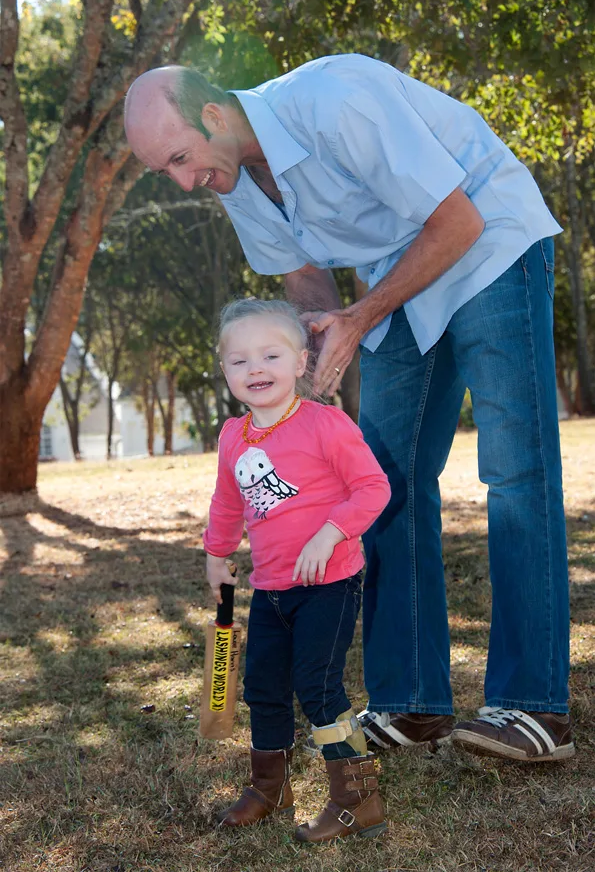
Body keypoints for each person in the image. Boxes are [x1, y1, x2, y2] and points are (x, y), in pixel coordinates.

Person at [125, 54, 574, 763]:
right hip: (397, 277)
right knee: (380, 482)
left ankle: (532, 703)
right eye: (165, 172)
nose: (184, 181)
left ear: (213, 114)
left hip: (488, 239)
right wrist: (307, 359)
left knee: (516, 472)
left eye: (181, 158)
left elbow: (455, 221)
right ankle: (411, 700)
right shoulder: (232, 174)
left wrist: (359, 317)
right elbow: (304, 277)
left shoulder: (333, 100)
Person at [202, 298, 391, 842]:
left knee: (318, 686)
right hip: (270, 589)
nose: (255, 369)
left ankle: (359, 800)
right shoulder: (233, 436)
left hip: (329, 584)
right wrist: (216, 555)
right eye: (240, 360)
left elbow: (373, 487)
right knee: (263, 686)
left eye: (270, 355)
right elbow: (227, 502)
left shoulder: (325, 424)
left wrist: (331, 532)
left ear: (301, 362)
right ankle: (270, 788)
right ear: (225, 370)